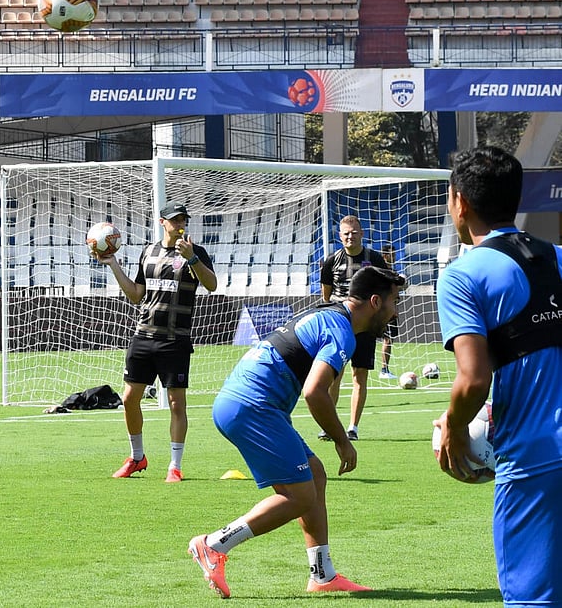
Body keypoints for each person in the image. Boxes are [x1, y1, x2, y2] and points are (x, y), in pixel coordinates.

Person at [188, 265, 404, 598]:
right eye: (393, 302)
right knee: (300, 496)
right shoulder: (341, 329)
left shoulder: (329, 314)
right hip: (253, 405)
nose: (395, 311)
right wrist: (343, 442)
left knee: (314, 475)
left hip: (246, 402)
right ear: (375, 301)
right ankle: (214, 544)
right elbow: (315, 392)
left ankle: (322, 575)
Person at [434, 145, 562, 607]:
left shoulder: (463, 275)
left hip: (535, 460)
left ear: (459, 202)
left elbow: (473, 379)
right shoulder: (560, 257)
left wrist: (452, 430)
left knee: (533, 600)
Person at [96, 200, 217, 483]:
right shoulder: (148, 252)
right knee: (128, 399)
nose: (180, 224)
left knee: (176, 404)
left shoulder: (196, 252)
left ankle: (175, 466)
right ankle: (137, 457)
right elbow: (137, 294)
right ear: (162, 222)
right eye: (174, 220)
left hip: (175, 340)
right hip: (144, 336)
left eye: (183, 219)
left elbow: (211, 285)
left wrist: (192, 259)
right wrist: (113, 264)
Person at [318, 215, 391, 441]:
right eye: (346, 233)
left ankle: (353, 428)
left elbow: (387, 288)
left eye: (354, 232)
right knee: (334, 375)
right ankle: (329, 427)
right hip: (341, 326)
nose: (350, 236)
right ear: (340, 236)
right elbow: (326, 295)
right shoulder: (331, 261)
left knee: (360, 375)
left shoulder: (375, 259)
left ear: (362, 233)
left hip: (366, 327)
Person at [378, 243, 399, 379]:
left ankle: (385, 369)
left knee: (388, 339)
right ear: (385, 256)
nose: (395, 257)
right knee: (387, 339)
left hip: (389, 309)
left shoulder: (391, 270)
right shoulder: (385, 272)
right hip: (386, 311)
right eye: (393, 254)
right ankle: (384, 370)